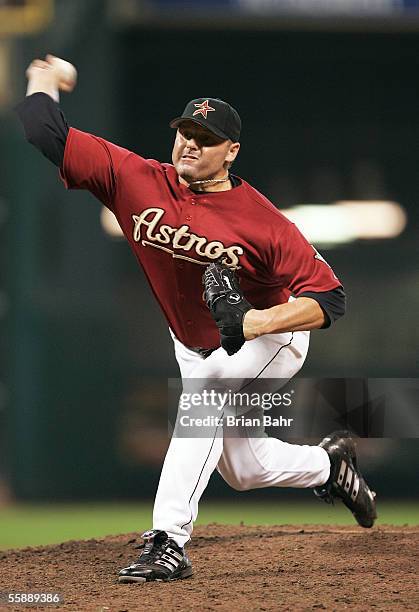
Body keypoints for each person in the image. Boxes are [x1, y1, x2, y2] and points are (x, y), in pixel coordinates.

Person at [16, 55, 376, 584]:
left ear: (230, 152)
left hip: (272, 336)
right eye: (184, 131)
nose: (188, 143)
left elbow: (330, 299)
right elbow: (43, 130)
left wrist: (248, 325)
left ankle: (168, 542)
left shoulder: (263, 222)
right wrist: (42, 80)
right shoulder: (134, 178)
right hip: (194, 340)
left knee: (203, 402)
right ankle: (330, 467)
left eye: (204, 138)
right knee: (244, 469)